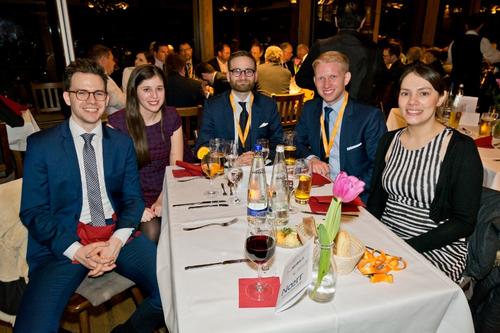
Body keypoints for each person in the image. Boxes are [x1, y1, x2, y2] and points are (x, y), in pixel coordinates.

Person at [15, 59, 163, 332]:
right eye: (81, 92)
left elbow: (133, 199)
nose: (91, 100)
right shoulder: (41, 146)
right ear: (67, 97)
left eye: (98, 93)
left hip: (117, 233)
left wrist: (116, 242)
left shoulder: (121, 143)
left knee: (171, 292)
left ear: (107, 98)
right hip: (62, 242)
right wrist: (77, 251)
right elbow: (33, 211)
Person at [367, 63, 483, 283]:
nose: (412, 102)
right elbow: (376, 202)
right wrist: (367, 235)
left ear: (440, 98)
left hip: (436, 248)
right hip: (388, 239)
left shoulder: (459, 148)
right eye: (405, 93)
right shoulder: (389, 141)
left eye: (423, 93)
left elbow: (464, 221)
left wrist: (407, 247)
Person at [295, 51, 386, 201]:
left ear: (346, 78)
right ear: (314, 80)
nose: (326, 84)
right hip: (318, 188)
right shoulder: (311, 108)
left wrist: (349, 192)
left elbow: (378, 166)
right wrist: (311, 158)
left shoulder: (369, 117)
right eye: (321, 78)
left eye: (333, 77)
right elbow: (296, 141)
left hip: (354, 197)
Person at [109, 64, 183, 243]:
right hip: (131, 194)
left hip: (168, 188)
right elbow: (114, 176)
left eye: (159, 88)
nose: (155, 96)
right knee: (152, 232)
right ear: (134, 92)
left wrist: (162, 198)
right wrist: (137, 207)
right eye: (147, 90)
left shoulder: (171, 116)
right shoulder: (117, 124)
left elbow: (175, 164)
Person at [195, 51, 283, 165]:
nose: (243, 76)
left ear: (256, 76)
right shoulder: (212, 106)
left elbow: (278, 142)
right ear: (228, 75)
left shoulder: (269, 105)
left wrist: (259, 159)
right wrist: (232, 162)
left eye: (249, 71)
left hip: (260, 172)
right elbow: (203, 146)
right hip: (226, 173)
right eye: (237, 71)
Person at [295, 0, 384, 105]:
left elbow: (301, 79)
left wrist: (325, 86)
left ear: (336, 21)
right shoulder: (373, 50)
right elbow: (382, 82)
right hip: (360, 113)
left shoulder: (320, 46)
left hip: (325, 110)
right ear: (363, 22)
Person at [449, 14, 500, 97]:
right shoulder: (482, 41)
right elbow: (496, 57)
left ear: (466, 26)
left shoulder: (454, 42)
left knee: (453, 105)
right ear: (480, 26)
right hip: (472, 83)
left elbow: (450, 60)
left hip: (455, 82)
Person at [88, 44, 126, 116]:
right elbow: (120, 102)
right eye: (112, 59)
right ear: (103, 60)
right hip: (116, 123)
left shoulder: (98, 76)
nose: (114, 63)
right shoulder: (100, 79)